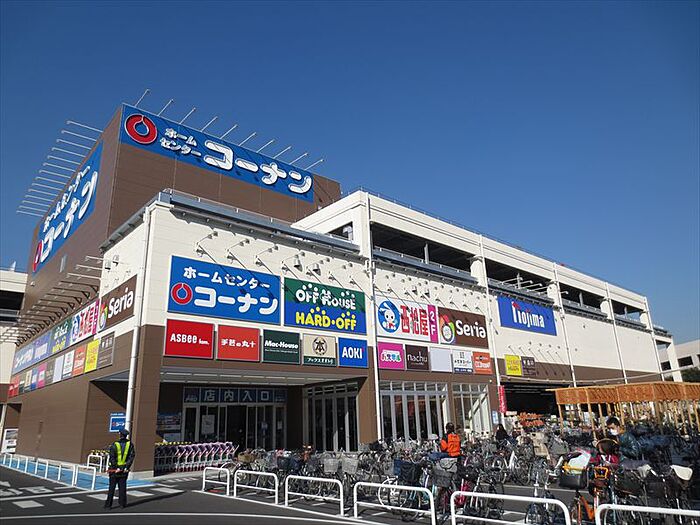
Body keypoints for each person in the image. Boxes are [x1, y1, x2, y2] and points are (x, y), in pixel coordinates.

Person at [104, 429, 135, 510]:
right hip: (124, 470)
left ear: (120, 434)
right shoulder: (130, 444)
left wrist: (116, 467)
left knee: (111, 488)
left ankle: (108, 505)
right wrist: (126, 467)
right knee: (122, 488)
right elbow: (131, 457)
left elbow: (112, 457)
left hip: (114, 470)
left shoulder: (115, 444)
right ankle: (122, 504)